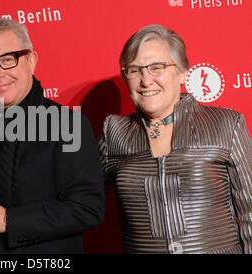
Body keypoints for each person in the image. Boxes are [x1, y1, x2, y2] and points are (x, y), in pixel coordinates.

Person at [0, 18, 105, 254]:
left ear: (31, 61)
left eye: (7, 60)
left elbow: (87, 208)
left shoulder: (66, 123)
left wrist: (9, 220)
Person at [98, 24, 252, 254]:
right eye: (134, 70)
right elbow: (79, 200)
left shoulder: (226, 123)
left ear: (182, 72)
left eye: (156, 68)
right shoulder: (115, 132)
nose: (146, 80)